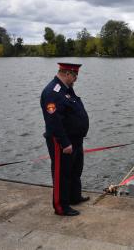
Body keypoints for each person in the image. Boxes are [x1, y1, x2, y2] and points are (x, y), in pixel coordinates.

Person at [40, 63, 90, 216]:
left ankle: (74, 197)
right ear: (67, 74)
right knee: (62, 173)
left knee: (75, 169)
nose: (75, 80)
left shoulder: (65, 89)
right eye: (74, 76)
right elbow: (53, 121)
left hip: (75, 139)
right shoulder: (52, 92)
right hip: (62, 141)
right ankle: (61, 206)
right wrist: (64, 142)